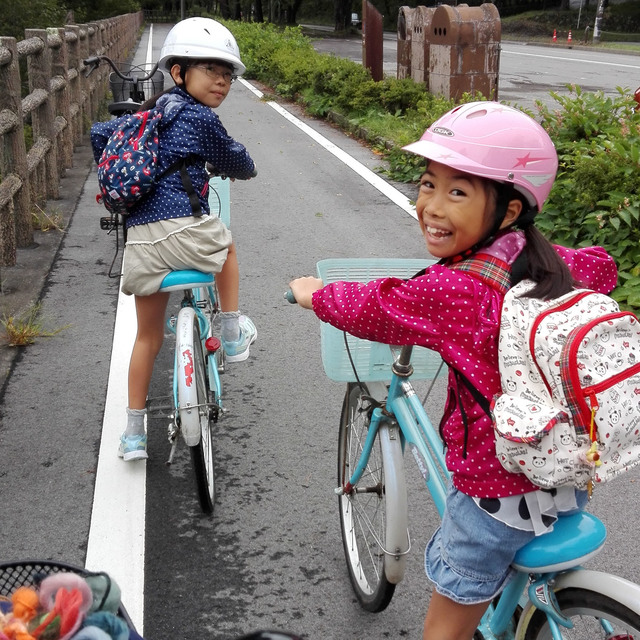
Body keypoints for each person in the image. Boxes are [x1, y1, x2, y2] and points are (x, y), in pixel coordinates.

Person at [289, 101, 618, 640]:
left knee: (446, 624)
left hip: (496, 490)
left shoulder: (456, 289)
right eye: (427, 184)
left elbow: (374, 307)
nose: (431, 206)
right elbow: (601, 264)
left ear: (508, 210)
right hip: (565, 465)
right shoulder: (547, 260)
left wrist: (316, 294)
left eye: (458, 191)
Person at [91, 18, 257, 461]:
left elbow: (99, 135)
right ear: (179, 72)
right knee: (227, 246)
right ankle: (231, 330)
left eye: (228, 75)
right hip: (188, 235)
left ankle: (131, 434)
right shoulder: (200, 118)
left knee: (147, 337)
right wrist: (244, 169)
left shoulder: (143, 118)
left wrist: (121, 180)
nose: (222, 81)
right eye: (211, 70)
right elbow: (236, 160)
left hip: (141, 245)